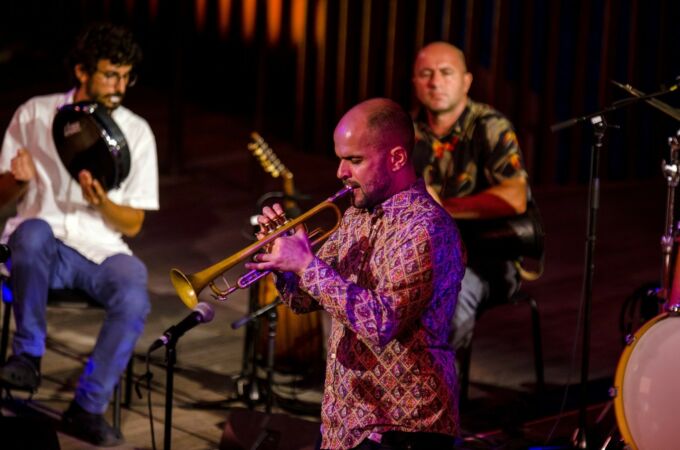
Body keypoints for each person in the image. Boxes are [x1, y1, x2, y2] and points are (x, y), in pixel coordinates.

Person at [246, 98, 465, 450]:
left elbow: (381, 323)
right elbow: (306, 299)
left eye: (355, 160)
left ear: (396, 158)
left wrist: (306, 264)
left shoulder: (427, 228)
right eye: (340, 158)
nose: (340, 172)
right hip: (345, 422)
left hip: (403, 427)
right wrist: (283, 264)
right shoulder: (355, 216)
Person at [0, 23, 158, 446]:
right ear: (82, 71)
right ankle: (28, 355)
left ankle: (87, 407)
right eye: (111, 74)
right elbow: (0, 197)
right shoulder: (35, 113)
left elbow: (134, 225)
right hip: (37, 251)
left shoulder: (137, 132)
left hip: (97, 248)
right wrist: (17, 182)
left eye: (127, 76)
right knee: (31, 233)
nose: (120, 86)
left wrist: (102, 202)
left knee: (134, 285)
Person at [411, 41, 530, 352]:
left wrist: (443, 208)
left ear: (466, 81)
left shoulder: (489, 126)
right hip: (418, 259)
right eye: (426, 73)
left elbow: (515, 196)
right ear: (414, 82)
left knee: (443, 317)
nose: (435, 82)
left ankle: (437, 394)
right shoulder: (405, 131)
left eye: (446, 73)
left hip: (483, 258)